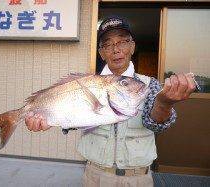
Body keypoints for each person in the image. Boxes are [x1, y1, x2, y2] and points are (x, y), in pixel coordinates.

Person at [25, 16, 196, 187]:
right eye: (108, 44)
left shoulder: (148, 85)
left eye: (122, 42)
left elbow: (157, 124)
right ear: (101, 52)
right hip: (94, 175)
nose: (116, 50)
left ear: (132, 47)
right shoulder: (88, 83)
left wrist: (164, 102)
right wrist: (49, 120)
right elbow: (74, 118)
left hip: (137, 178)